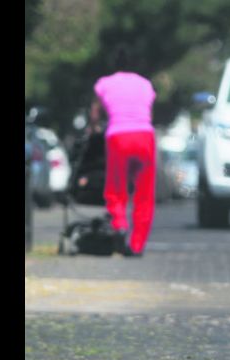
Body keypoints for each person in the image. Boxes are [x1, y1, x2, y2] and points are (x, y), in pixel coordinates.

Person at [90, 47, 157, 257]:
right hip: (145, 136)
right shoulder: (145, 84)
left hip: (118, 137)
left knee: (116, 187)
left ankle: (119, 223)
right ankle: (137, 244)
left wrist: (95, 127)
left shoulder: (104, 83)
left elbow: (95, 112)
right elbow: (149, 112)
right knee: (144, 193)